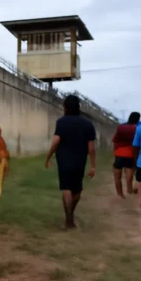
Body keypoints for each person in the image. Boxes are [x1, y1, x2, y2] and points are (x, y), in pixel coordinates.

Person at [44, 94, 97, 229]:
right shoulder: (88, 124)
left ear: (66, 108)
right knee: (77, 190)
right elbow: (91, 147)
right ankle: (70, 216)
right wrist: (92, 166)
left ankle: (69, 219)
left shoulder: (61, 122)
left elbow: (56, 142)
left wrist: (48, 157)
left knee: (66, 189)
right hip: (80, 161)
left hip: (64, 161)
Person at [112, 112, 140, 198]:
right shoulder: (137, 128)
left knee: (117, 177)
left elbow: (115, 139)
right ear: (138, 119)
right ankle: (129, 191)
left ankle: (120, 195)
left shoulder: (121, 127)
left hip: (119, 153)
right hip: (131, 153)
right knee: (129, 175)